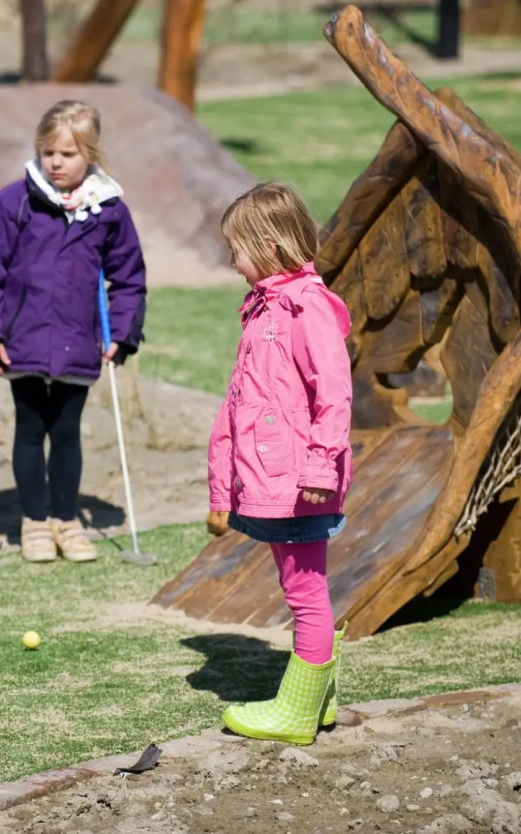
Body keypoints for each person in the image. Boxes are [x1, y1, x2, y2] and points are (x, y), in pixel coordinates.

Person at [205, 181, 352, 744]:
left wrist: (319, 469)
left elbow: (333, 394)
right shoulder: (265, 308)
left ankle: (295, 714)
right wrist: (223, 487)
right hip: (275, 477)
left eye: (236, 248)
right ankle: (320, 702)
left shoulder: (306, 307)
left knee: (305, 591)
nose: (232, 261)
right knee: (304, 588)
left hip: (300, 481)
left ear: (268, 244)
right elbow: (242, 400)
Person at [0, 100, 146, 563]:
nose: (56, 163)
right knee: (30, 428)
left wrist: (122, 333)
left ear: (90, 153)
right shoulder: (14, 201)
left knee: (66, 431)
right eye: (48, 153)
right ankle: (35, 523)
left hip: (77, 343)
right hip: (22, 340)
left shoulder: (109, 210)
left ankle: (66, 520)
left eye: (67, 154)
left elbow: (128, 277)